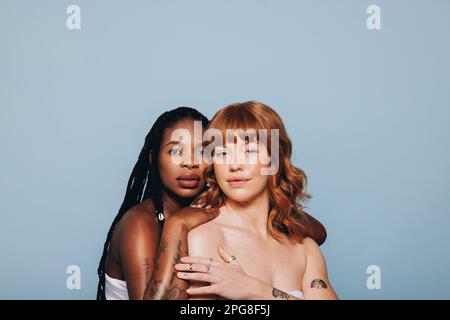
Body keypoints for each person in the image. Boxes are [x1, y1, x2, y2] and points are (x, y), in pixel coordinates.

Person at [175, 101, 338, 300]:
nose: (234, 165)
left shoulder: (304, 247)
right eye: (223, 153)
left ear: (275, 159)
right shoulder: (204, 239)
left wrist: (254, 290)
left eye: (249, 151)